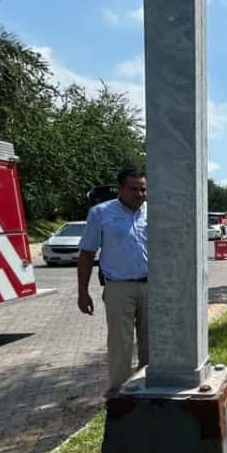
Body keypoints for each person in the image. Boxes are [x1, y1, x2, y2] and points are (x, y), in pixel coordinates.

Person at [77, 168, 149, 393]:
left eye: (143, 189)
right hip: (119, 287)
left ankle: (149, 388)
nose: (139, 194)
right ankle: (120, 393)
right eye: (133, 189)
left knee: (153, 342)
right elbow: (87, 253)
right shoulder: (101, 213)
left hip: (152, 286)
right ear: (120, 188)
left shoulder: (154, 212)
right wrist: (83, 292)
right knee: (121, 343)